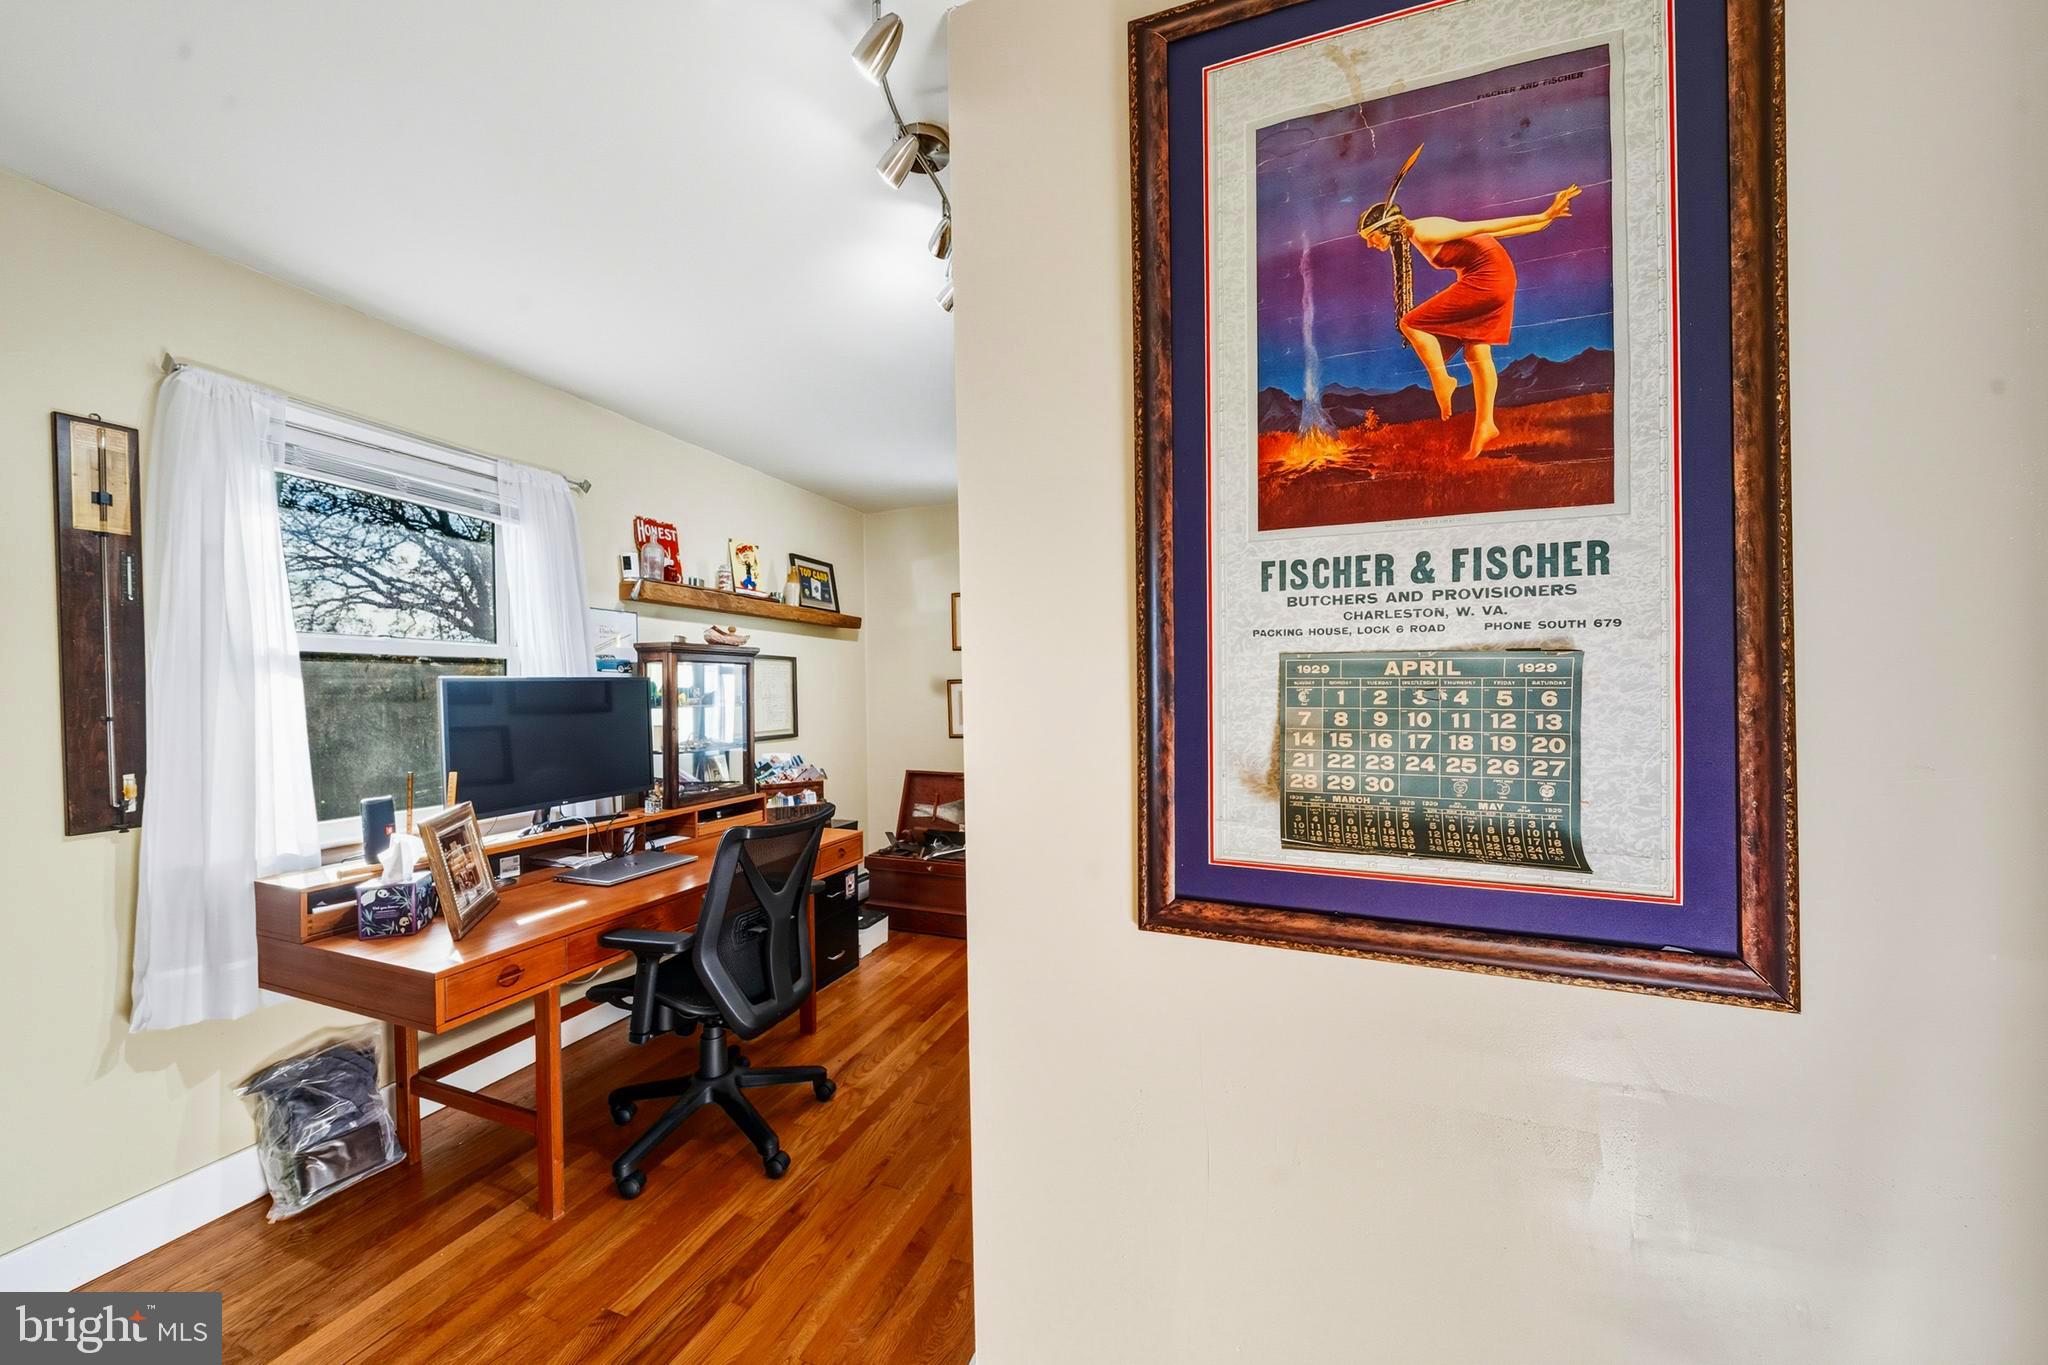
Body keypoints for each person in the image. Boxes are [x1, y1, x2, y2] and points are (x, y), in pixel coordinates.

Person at [1358, 184, 1581, 458]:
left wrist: (1542, 216)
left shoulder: (1426, 231)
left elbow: (1485, 227)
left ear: (1388, 228)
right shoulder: (1416, 235)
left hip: (1488, 279)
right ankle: (1485, 424)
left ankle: (1443, 381)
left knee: (1411, 323)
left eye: (1371, 236)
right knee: (1476, 351)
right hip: (1494, 277)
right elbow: (1490, 235)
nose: (1370, 243)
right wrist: (1543, 222)